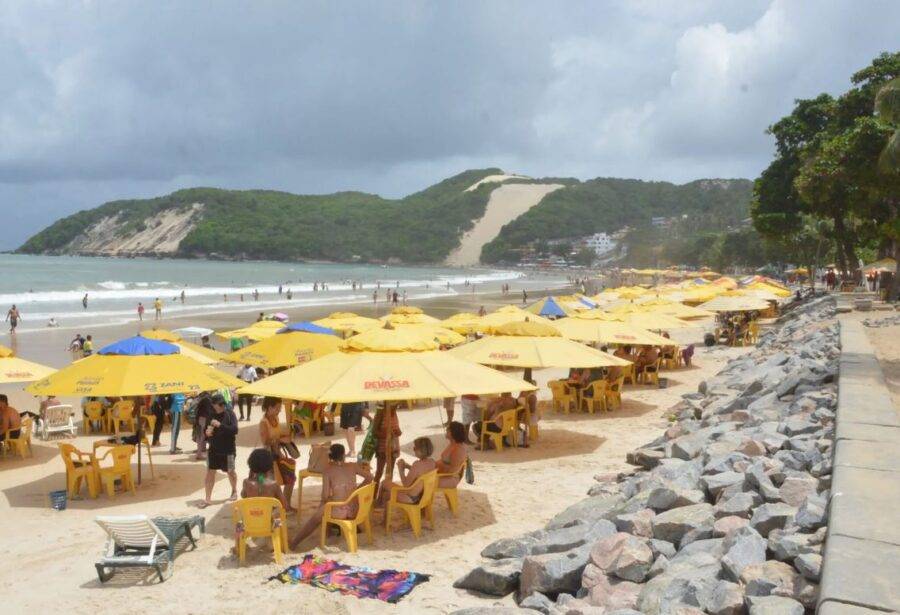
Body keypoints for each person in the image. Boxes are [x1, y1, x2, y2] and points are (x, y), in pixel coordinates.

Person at [289, 443, 372, 549]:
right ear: (343, 455)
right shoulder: (353, 466)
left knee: (319, 513)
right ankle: (329, 532)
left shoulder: (328, 470)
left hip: (339, 511)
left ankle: (295, 542)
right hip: (356, 510)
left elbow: (325, 496)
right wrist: (357, 490)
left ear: (330, 457)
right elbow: (370, 477)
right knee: (326, 505)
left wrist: (325, 502)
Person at [259, 397, 297, 512]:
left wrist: (287, 435)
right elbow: (265, 441)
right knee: (271, 483)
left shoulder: (276, 418)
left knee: (290, 479)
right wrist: (280, 440)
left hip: (278, 454)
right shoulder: (263, 422)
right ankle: (276, 508)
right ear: (269, 407)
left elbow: (277, 434)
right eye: (277, 408)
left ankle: (286, 506)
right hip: (268, 457)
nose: (279, 410)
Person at [200, 393, 239, 508]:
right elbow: (206, 432)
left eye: (223, 404)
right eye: (219, 404)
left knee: (230, 471)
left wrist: (220, 425)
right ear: (214, 405)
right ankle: (208, 498)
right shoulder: (210, 416)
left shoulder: (230, 414)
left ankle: (234, 490)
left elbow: (235, 430)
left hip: (228, 449)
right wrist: (207, 433)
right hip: (214, 449)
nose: (222, 406)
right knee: (210, 472)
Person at [372, 403, 401, 501]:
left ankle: (383, 498)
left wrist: (396, 435)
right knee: (379, 473)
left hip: (392, 447)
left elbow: (397, 431)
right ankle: (373, 497)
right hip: (382, 448)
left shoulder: (395, 413)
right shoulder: (380, 413)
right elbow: (374, 432)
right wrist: (386, 434)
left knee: (390, 474)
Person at [393, 437, 436, 503]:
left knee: (384, 483)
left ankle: (378, 507)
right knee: (387, 493)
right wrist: (407, 466)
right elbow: (422, 473)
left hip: (412, 498)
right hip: (423, 496)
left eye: (415, 448)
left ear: (421, 450)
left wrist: (400, 469)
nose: (413, 450)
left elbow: (406, 485)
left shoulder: (417, 464)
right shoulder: (432, 462)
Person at [435, 421, 468, 487]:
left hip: (450, 478)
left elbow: (453, 470)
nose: (446, 429)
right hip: (443, 475)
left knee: (422, 482)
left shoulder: (458, 449)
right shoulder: (453, 444)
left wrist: (435, 471)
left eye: (448, 428)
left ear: (453, 432)